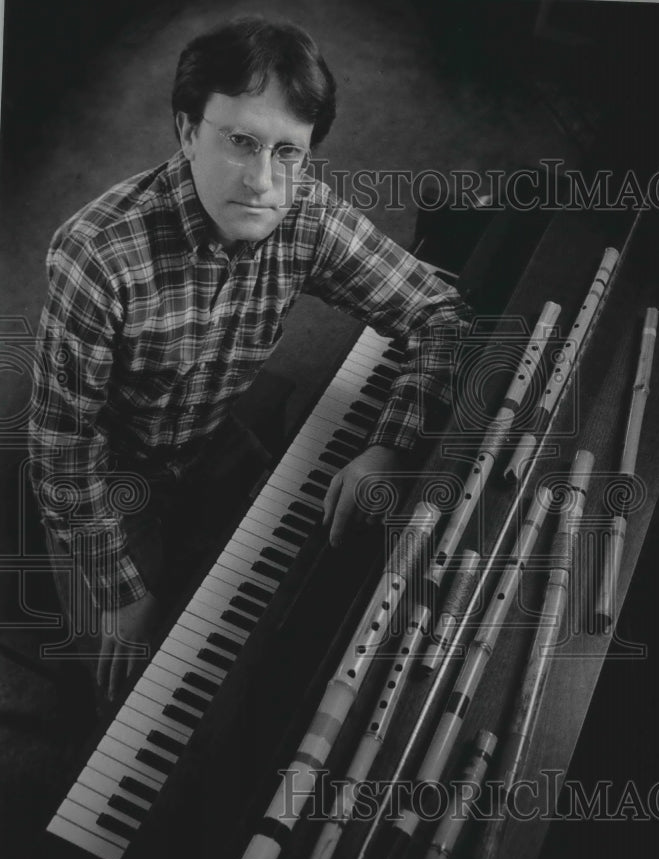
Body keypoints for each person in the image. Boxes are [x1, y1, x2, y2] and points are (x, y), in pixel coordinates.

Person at [28, 16, 471, 707]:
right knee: (137, 688)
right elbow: (60, 450)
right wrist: (119, 592)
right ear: (186, 132)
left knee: (284, 599)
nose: (262, 180)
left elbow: (436, 310)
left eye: (286, 153)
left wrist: (390, 442)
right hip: (109, 472)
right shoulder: (98, 256)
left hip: (207, 438)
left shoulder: (302, 214)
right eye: (239, 142)